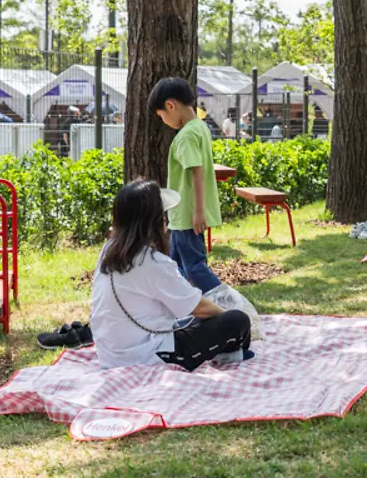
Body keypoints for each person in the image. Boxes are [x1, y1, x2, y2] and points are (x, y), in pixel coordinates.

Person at [91, 180, 252, 370]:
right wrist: (225, 316)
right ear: (154, 220)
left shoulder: (108, 250)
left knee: (192, 321)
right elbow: (199, 307)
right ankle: (231, 353)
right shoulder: (152, 262)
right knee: (237, 321)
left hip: (111, 356)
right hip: (147, 356)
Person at [149, 77, 223, 292]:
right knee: (177, 268)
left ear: (170, 105)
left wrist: (198, 212)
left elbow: (196, 172)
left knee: (193, 269)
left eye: (161, 115)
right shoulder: (200, 128)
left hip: (186, 215)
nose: (163, 120)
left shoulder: (186, 136)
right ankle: (183, 311)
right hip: (186, 215)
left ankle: (229, 307)